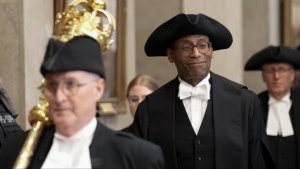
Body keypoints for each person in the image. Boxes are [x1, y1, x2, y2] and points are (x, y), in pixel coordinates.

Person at [132, 13, 275, 169]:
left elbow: (258, 162)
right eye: (186, 47)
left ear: (211, 50)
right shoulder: (149, 109)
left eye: (202, 45)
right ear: (170, 55)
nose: (196, 54)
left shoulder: (245, 102)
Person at [0, 35, 164, 169]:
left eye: (70, 85)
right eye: (52, 85)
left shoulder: (137, 156)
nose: (59, 97)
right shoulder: (15, 148)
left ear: (98, 89)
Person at [244, 45, 300, 169]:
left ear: (292, 74)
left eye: (282, 70)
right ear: (263, 76)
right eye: (270, 70)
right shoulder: (252, 105)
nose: (276, 76)